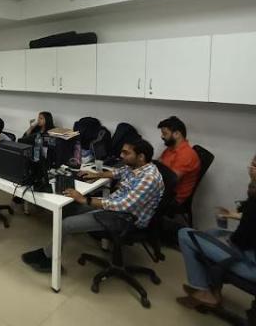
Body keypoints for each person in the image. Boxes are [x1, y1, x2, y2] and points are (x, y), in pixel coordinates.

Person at [21, 139, 164, 272]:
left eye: (126, 153)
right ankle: (51, 251)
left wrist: (85, 199)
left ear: (141, 156)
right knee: (68, 207)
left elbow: (121, 205)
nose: (121, 155)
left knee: (66, 223)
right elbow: (117, 172)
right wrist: (96, 175)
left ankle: (49, 260)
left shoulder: (148, 178)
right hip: (115, 206)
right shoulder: (136, 166)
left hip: (126, 219)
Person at [176, 156, 256, 310]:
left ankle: (203, 290)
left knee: (185, 234)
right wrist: (231, 214)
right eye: (252, 164)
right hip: (248, 251)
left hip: (250, 265)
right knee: (213, 232)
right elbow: (248, 217)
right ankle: (214, 290)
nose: (251, 169)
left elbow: (243, 239)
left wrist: (226, 241)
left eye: (255, 166)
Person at [158, 116, 200, 204]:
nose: (162, 136)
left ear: (177, 134)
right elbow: (158, 164)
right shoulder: (171, 148)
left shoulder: (186, 155)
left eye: (165, 133)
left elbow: (170, 181)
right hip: (164, 188)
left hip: (173, 197)